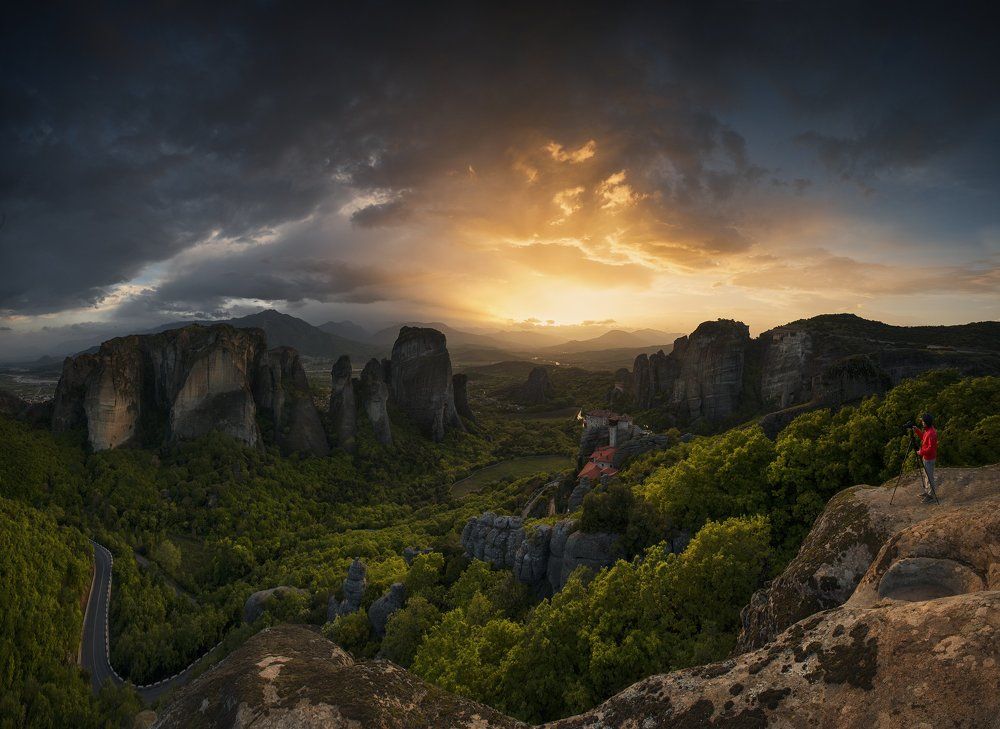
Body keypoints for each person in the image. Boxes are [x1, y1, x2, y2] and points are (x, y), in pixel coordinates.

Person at [912, 413, 938, 503]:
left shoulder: (931, 433)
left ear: (926, 422)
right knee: (927, 476)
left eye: (922, 421)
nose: (922, 422)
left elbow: (931, 448)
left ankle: (931, 496)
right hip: (926, 458)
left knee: (930, 477)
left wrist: (921, 452)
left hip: (929, 458)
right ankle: (928, 492)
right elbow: (924, 438)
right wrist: (917, 430)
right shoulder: (928, 430)